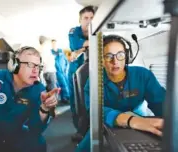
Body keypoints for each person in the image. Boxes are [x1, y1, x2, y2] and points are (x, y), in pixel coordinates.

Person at [76, 35, 165, 152]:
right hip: (105, 122)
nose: (115, 61)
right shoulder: (94, 81)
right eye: (108, 56)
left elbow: (163, 104)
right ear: (101, 60)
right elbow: (95, 111)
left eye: (120, 55)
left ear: (127, 57)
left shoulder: (143, 75)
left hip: (139, 117)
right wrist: (128, 120)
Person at [0, 46, 60, 152]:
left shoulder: (38, 90)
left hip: (14, 134)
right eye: (30, 65)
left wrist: (44, 109)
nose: (35, 70)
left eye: (38, 66)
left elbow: (36, 129)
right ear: (14, 65)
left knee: (38, 143)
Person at [68, 5, 95, 141]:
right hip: (75, 71)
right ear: (80, 20)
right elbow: (75, 44)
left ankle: (91, 128)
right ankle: (79, 130)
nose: (89, 21)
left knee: (91, 99)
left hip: (92, 70)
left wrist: (84, 46)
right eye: (86, 18)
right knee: (76, 101)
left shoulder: (98, 31)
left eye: (92, 18)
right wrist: (90, 43)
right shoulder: (74, 31)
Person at [51, 39, 70, 104]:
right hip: (57, 71)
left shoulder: (61, 52)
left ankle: (66, 98)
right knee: (62, 85)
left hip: (64, 71)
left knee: (66, 84)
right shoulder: (51, 53)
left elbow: (66, 61)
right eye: (52, 44)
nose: (54, 45)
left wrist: (66, 69)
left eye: (54, 43)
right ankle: (65, 98)